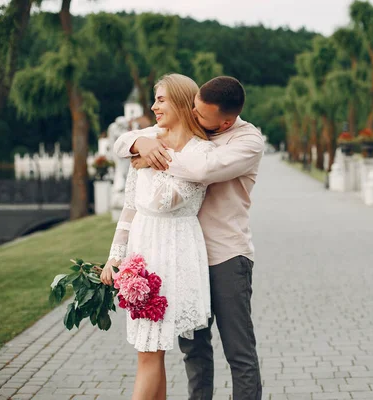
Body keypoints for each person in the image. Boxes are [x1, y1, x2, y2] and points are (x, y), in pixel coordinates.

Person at [113, 76, 264, 400]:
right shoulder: (195, 130)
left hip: (225, 256)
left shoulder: (248, 141)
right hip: (184, 258)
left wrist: (151, 153)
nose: (195, 117)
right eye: (193, 109)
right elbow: (123, 141)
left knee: (239, 353)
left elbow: (202, 170)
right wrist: (140, 143)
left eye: (202, 115)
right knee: (194, 351)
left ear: (226, 120)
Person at [100, 73, 216, 400]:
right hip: (143, 251)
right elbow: (130, 207)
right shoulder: (149, 139)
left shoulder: (199, 152)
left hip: (174, 252)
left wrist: (152, 156)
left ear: (181, 101)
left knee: (151, 350)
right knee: (148, 350)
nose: (153, 107)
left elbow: (163, 202)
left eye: (161, 99)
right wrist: (116, 256)